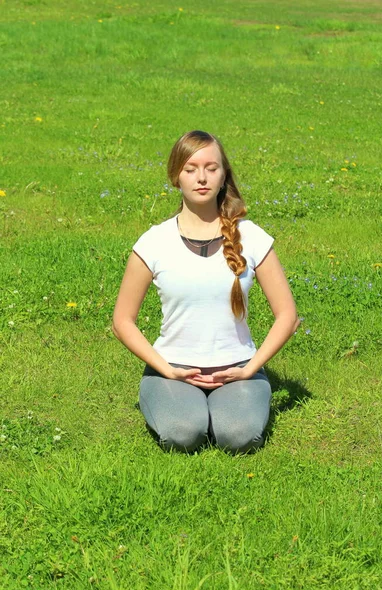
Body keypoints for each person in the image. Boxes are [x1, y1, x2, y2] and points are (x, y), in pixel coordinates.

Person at [112, 130, 300, 453]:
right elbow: (121, 320)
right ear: (175, 177)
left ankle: (226, 409)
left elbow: (288, 315)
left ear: (224, 174)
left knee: (239, 436)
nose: (202, 178)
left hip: (238, 371)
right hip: (172, 372)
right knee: (183, 434)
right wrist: (165, 368)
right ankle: (181, 405)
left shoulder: (251, 237)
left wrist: (250, 369)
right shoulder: (154, 242)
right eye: (190, 169)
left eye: (211, 168)